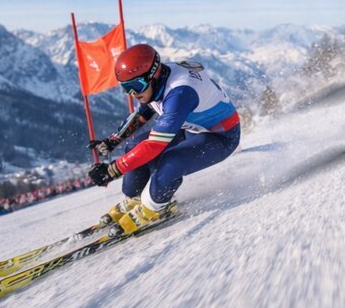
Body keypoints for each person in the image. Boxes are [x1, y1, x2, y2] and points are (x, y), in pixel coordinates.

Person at [86, 43, 241, 235]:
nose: (132, 94)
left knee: (170, 161)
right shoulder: (156, 81)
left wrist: (112, 170)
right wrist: (113, 140)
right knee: (134, 145)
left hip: (221, 136)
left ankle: (154, 207)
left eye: (135, 87)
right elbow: (142, 113)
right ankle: (137, 197)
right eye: (126, 88)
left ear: (154, 75)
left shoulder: (180, 93)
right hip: (190, 127)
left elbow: (155, 145)